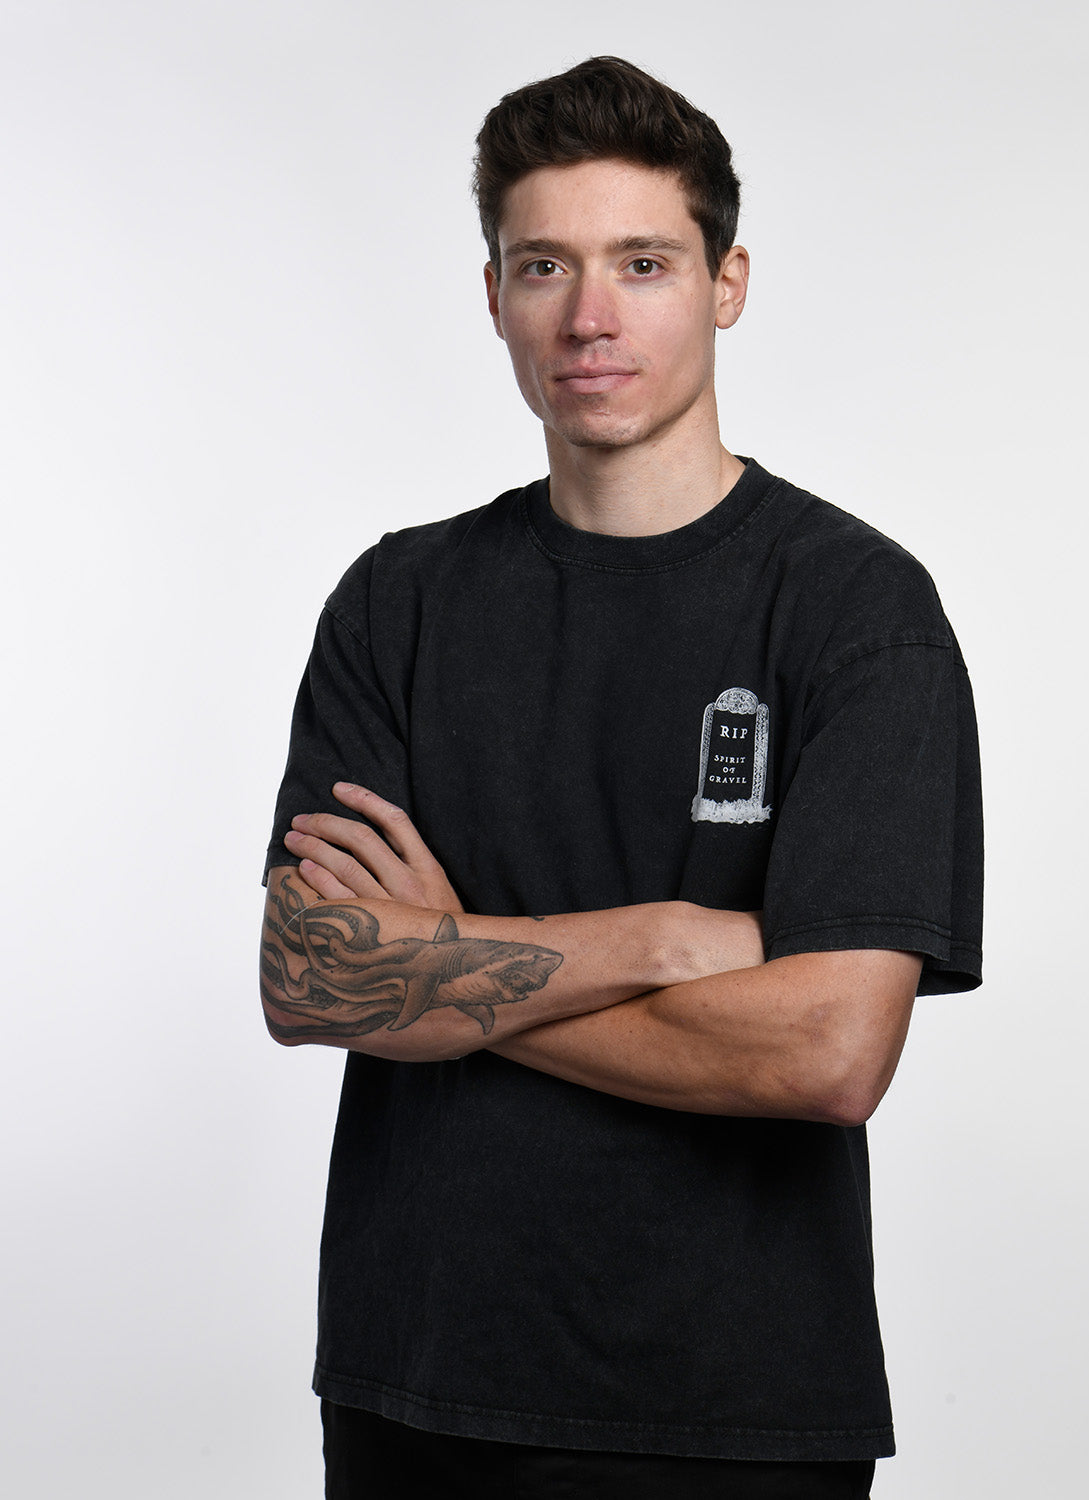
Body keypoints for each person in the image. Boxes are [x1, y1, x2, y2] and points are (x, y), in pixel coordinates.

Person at [260, 55, 983, 1500]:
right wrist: (657, 940)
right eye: (546, 266)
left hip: (736, 1407)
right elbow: (313, 983)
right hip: (418, 1386)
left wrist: (448, 960)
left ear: (727, 284)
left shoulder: (856, 611)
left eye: (643, 263)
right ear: (494, 295)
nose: (589, 316)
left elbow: (827, 1055)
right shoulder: (398, 602)